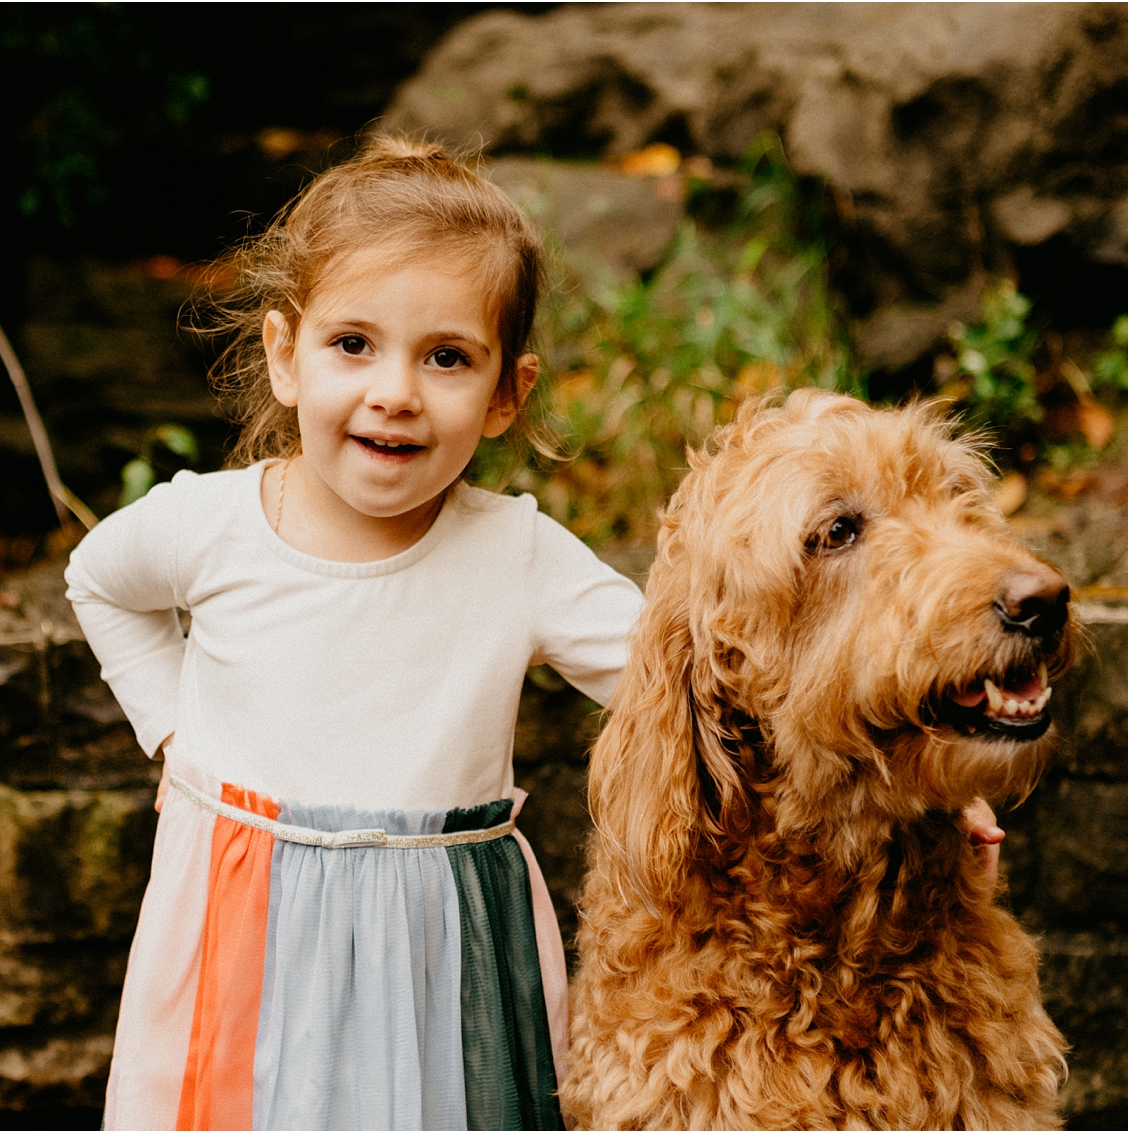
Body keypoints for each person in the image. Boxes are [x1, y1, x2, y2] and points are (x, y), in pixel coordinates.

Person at [66, 135, 1005, 1132]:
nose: (395, 390)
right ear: (282, 355)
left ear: (507, 392)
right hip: (247, 909)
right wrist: (177, 737)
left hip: (438, 935)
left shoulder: (515, 553)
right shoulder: (210, 526)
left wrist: (909, 758)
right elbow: (99, 583)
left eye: (446, 357)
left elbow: (698, 672)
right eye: (354, 344)